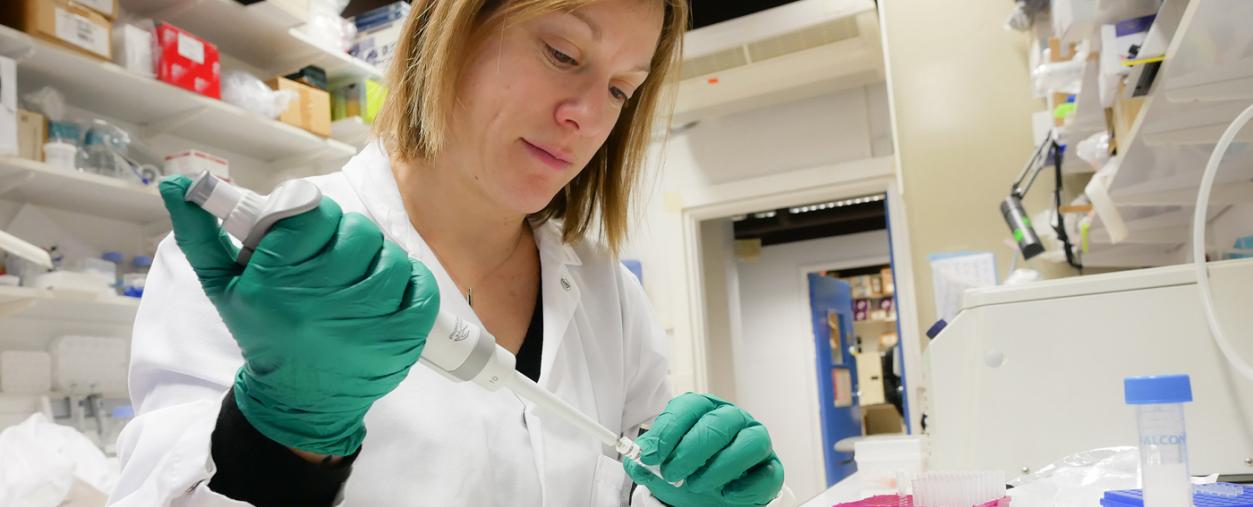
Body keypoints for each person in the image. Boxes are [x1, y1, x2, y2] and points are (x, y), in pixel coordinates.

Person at [108, 1, 787, 505]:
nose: (587, 113)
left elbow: (632, 479)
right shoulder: (257, 266)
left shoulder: (610, 294)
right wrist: (277, 435)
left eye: (619, 89)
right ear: (449, 30)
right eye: (561, 52)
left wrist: (686, 491)